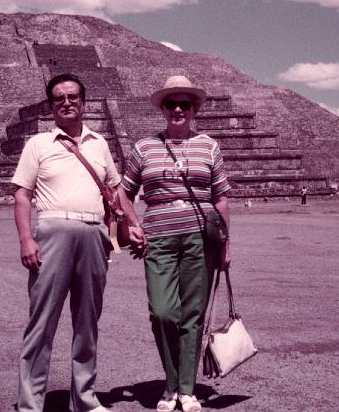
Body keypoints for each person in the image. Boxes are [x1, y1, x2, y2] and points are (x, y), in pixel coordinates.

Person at [117, 75, 231, 412]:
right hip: (159, 240)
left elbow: (221, 199)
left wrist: (226, 247)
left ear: (195, 109)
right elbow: (122, 192)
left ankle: (184, 388)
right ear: (163, 109)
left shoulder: (209, 146)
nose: (178, 109)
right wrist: (132, 224)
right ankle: (170, 383)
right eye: (171, 104)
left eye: (185, 104)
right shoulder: (144, 147)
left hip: (201, 239)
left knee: (192, 315)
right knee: (164, 312)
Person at [12, 73, 120, 412]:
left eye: (72, 96)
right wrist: (26, 239)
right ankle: (30, 404)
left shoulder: (100, 143)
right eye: (59, 98)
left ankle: (85, 399)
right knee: (41, 324)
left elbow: (115, 194)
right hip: (53, 232)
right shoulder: (38, 144)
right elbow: (22, 195)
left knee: (87, 324)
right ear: (51, 106)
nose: (66, 102)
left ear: (84, 102)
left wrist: (117, 239)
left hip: (93, 235)